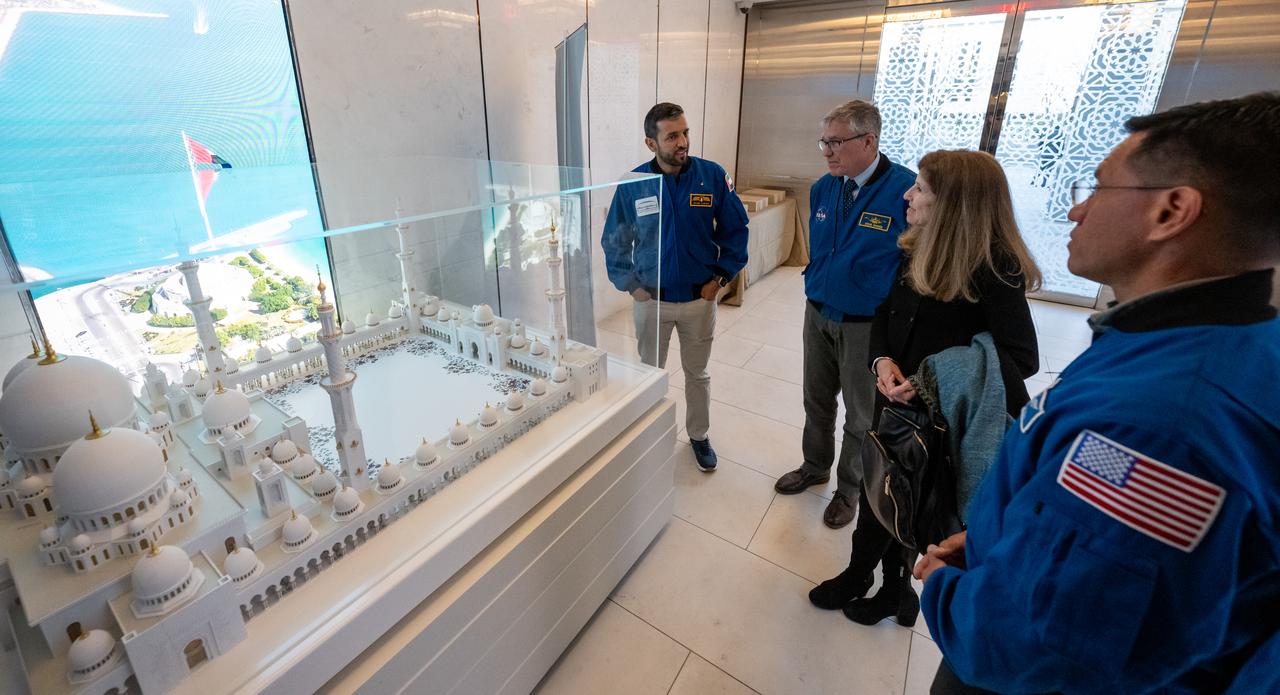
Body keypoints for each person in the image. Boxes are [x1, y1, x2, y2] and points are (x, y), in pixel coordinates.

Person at [915, 92, 1280, 695]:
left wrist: (949, 589)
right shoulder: (1187, 340)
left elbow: (1045, 643)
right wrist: (993, 543)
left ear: (1171, 211)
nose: (1075, 211)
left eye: (1100, 188)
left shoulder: (1161, 426)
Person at [808, 150, 1041, 627]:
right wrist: (881, 360)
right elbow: (882, 314)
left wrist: (931, 380)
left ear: (955, 204)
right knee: (879, 495)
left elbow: (1022, 358)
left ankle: (898, 591)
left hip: (937, 423)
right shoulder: (917, 245)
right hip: (892, 401)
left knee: (915, 508)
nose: (907, 194)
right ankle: (858, 574)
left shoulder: (995, 266)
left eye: (920, 189)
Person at [773, 100, 915, 529]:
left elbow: (914, 267)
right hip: (817, 313)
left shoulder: (904, 191)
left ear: (869, 140)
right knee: (815, 399)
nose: (827, 151)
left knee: (860, 415)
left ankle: (848, 489)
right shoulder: (824, 187)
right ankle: (815, 465)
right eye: (824, 142)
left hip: (865, 327)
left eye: (836, 142)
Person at [601, 102, 749, 472]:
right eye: (672, 136)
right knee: (649, 373)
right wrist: (630, 285)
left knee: (697, 374)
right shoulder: (634, 183)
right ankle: (650, 432)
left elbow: (736, 231)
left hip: (700, 299)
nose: (682, 142)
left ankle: (699, 436)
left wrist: (720, 279)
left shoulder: (711, 176)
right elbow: (614, 240)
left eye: (685, 132)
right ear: (652, 144)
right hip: (652, 301)